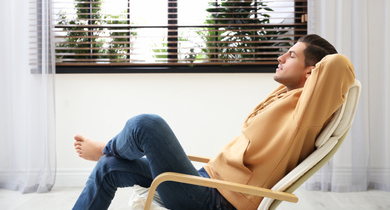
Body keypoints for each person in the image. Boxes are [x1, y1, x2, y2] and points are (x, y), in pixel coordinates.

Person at [73, 34, 355, 210]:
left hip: (214, 201)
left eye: (291, 55)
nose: (280, 57)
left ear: (312, 72)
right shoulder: (287, 98)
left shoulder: (306, 111)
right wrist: (297, 65)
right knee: (109, 167)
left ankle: (107, 147)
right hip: (204, 180)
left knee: (147, 123)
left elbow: (338, 65)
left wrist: (319, 63)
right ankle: (108, 154)